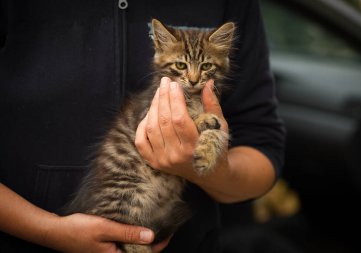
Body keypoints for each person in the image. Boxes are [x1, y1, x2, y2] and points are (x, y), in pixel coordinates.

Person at [0, 0, 285, 252]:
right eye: (184, 67)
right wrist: (48, 231)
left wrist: (211, 169)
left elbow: (261, 140)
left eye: (205, 68)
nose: (195, 78)